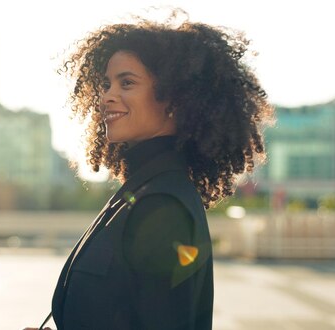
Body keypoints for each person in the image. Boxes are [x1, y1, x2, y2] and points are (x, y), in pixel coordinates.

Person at [25, 10, 274, 330]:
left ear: (173, 99)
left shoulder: (162, 205)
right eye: (106, 84)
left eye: (126, 82)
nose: (107, 97)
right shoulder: (139, 192)